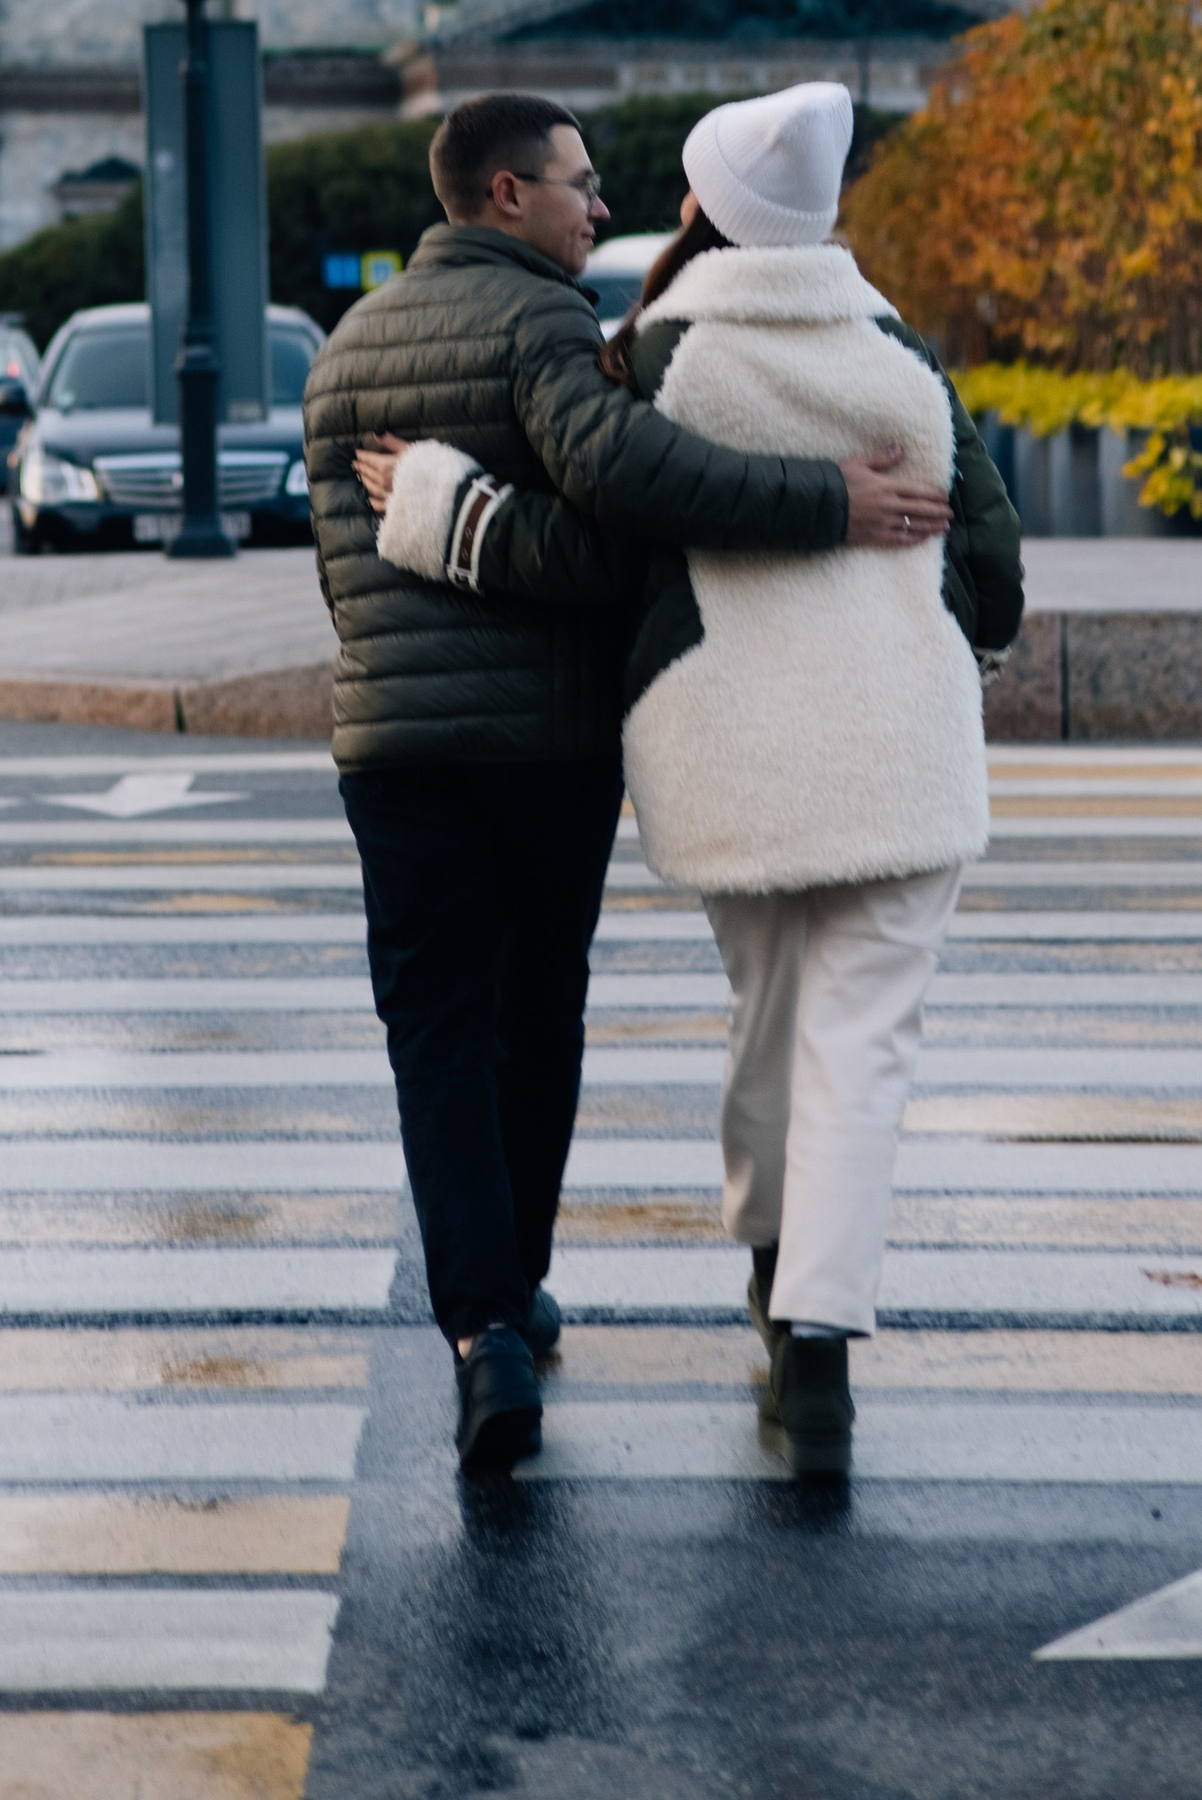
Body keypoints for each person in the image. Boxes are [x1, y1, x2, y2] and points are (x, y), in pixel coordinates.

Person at [359, 81, 1023, 1477]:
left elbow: (607, 541)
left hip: (733, 757)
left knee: (770, 1021)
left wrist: (441, 513)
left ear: (700, 209)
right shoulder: (901, 356)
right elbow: (1000, 579)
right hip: (903, 753)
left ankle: (760, 1276)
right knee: (863, 1046)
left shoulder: (651, 353)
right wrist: (918, 609)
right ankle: (816, 1344)